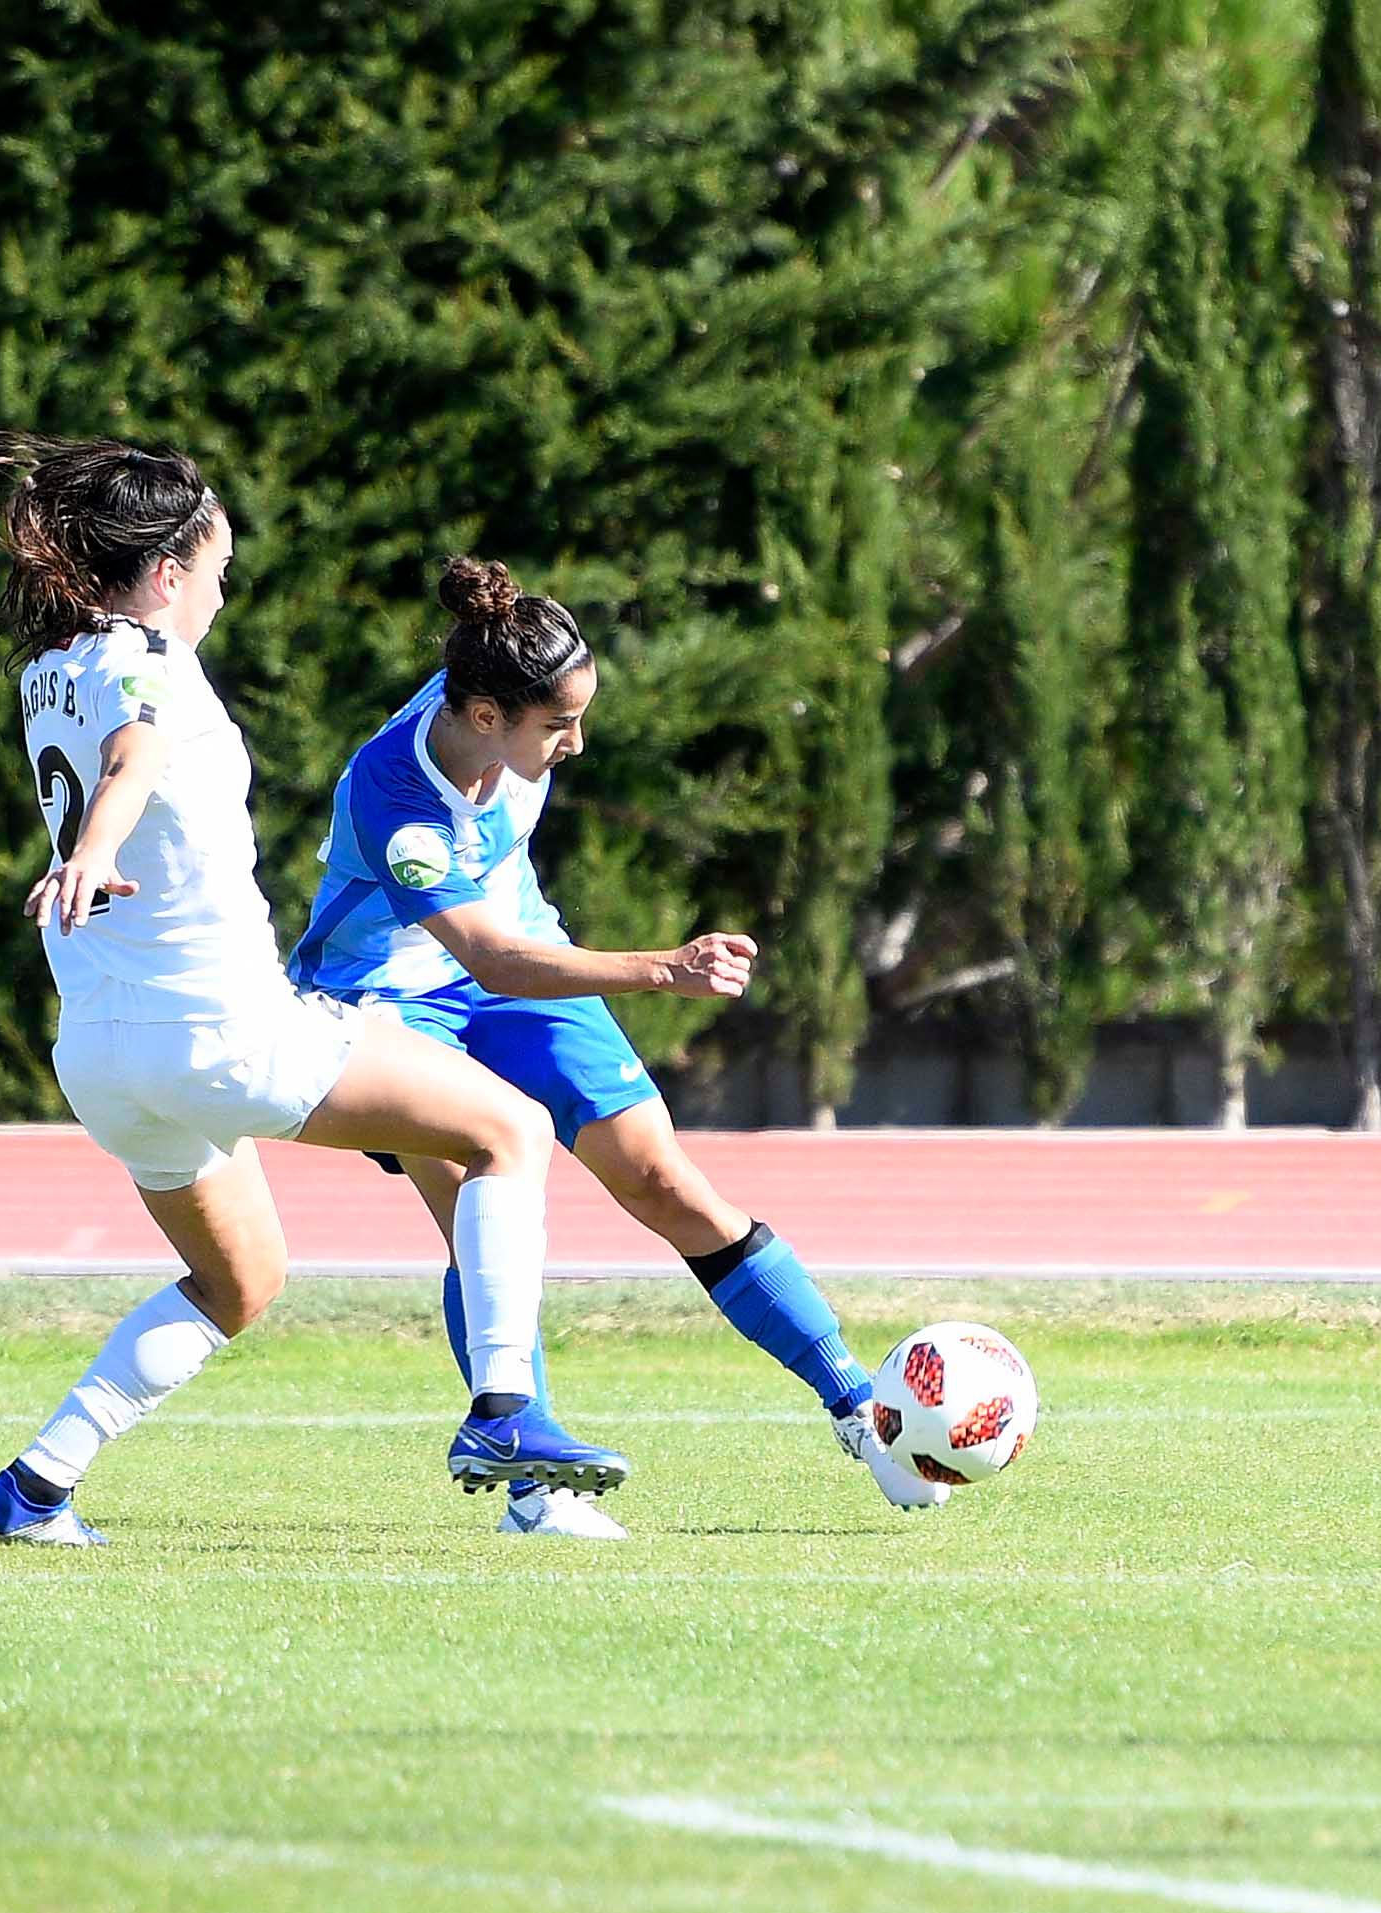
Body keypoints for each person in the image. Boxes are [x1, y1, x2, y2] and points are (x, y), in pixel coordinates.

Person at [0, 437, 630, 1546]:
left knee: (241, 1278)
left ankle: (30, 1489)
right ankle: (506, 1412)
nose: (225, 584)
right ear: (165, 571)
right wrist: (95, 848)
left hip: (103, 1054)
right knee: (506, 1128)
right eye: (218, 563)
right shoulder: (144, 663)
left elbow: (119, 751)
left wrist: (92, 854)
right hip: (219, 1029)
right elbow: (131, 758)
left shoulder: (47, 669)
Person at [288, 556, 946, 1525]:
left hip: (521, 955)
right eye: (557, 726)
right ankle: (531, 1478)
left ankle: (861, 1411)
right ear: (480, 717)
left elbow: (514, 956)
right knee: (479, 1207)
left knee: (662, 1181)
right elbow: (492, 960)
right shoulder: (395, 792)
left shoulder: (494, 682)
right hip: (391, 998)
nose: (577, 743)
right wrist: (663, 969)